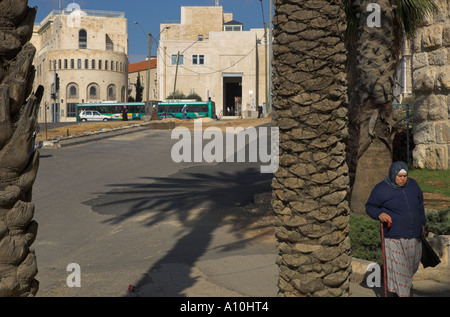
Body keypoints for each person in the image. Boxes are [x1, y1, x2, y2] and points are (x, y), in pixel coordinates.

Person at [365, 161, 426, 297]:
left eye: (404, 176)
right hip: (393, 236)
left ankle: (400, 289)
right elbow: (370, 206)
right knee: (401, 270)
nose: (402, 179)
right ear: (393, 175)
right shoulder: (381, 189)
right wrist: (379, 214)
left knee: (411, 268)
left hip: (414, 235)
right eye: (399, 176)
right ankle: (404, 294)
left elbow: (420, 206)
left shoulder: (413, 185)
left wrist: (423, 224)